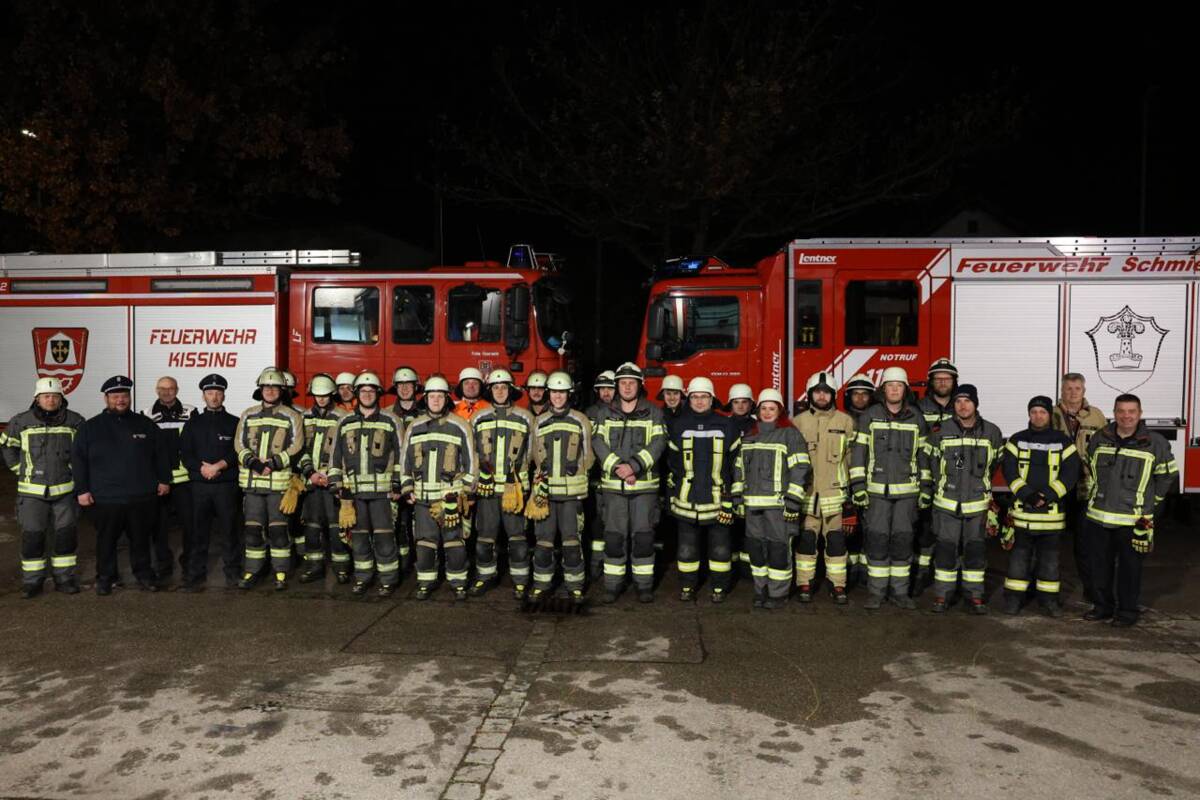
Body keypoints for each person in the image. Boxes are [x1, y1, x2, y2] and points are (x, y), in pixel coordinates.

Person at [1082, 394, 1176, 627]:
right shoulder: (1099, 438)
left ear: (1140, 413)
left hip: (1134, 520)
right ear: (1114, 413)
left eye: (1131, 411)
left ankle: (1126, 612)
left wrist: (1151, 505)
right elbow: (1090, 470)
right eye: (1121, 411)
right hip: (1098, 517)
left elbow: (1167, 476)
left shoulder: (1156, 442)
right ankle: (1102, 607)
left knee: (1130, 569)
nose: (1126, 416)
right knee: (1099, 567)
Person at [72, 375, 171, 595]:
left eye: (124, 395)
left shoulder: (145, 424)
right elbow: (78, 461)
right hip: (106, 497)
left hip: (141, 495)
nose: (121, 400)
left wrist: (164, 480)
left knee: (140, 540)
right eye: (115, 396)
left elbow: (161, 455)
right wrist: (82, 490)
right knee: (106, 541)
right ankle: (106, 578)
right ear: (106, 398)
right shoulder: (90, 428)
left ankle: (144, 575)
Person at [848, 367, 929, 610]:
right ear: (883, 389)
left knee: (903, 541)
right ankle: (876, 592)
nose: (894, 389)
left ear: (905, 389)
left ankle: (900, 592)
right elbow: (859, 454)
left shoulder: (916, 417)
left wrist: (926, 487)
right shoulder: (870, 416)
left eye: (899, 385)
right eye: (890, 385)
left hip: (907, 493)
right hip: (876, 493)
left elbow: (924, 456)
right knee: (877, 540)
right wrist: (859, 486)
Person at [3, 377, 86, 598]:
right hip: (31, 493)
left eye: (55, 396)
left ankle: (65, 578)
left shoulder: (75, 421)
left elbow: (83, 453)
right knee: (32, 537)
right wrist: (21, 469)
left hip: (65, 491)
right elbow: (8, 447)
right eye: (46, 396)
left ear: (62, 398)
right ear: (37, 398)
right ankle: (32, 582)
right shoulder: (20, 421)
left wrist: (74, 472)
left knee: (65, 537)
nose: (50, 400)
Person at [592, 362, 667, 604]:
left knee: (643, 538)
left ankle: (643, 586)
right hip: (614, 488)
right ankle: (613, 585)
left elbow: (658, 443)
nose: (626, 387)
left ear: (639, 386)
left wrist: (634, 466)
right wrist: (618, 468)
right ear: (616, 386)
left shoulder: (654, 412)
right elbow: (598, 444)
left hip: (644, 488)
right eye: (622, 383)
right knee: (614, 538)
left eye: (631, 383)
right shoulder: (604, 414)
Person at [925, 384, 1004, 614]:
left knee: (975, 553)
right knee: (946, 552)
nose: (962, 405)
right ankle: (943, 595)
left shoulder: (991, 432)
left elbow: (996, 463)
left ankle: (974, 596)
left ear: (976, 403)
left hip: (977, 507)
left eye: (967, 401)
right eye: (958, 401)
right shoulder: (939, 430)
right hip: (946, 504)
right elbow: (928, 463)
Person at [999, 396, 1080, 616]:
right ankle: (1013, 600)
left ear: (1049, 416)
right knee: (1018, 560)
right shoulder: (1017, 440)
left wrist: (1047, 495)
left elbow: (1071, 472)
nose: (1038, 416)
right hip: (1022, 514)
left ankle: (1049, 601)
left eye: (1042, 412)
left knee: (1050, 562)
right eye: (1034, 412)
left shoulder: (1063, 441)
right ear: (1029, 414)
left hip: (1051, 517)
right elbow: (1009, 471)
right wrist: (1028, 495)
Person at [398, 375, 477, 601]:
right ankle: (425, 581)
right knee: (424, 541)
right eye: (431, 396)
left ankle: (458, 581)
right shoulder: (414, 426)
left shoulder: (460, 425)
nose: (435, 400)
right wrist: (406, 487)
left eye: (440, 396)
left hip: (450, 497)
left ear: (447, 399)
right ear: (425, 399)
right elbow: (405, 461)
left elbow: (472, 461)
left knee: (454, 541)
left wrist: (467, 493)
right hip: (422, 498)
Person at [328, 372, 405, 597]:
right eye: (363, 391)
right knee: (359, 538)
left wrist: (397, 484)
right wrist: (337, 485)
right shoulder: (345, 421)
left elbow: (402, 454)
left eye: (372, 391)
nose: (368, 394)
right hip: (353, 494)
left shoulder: (391, 420)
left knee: (384, 538)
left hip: (382, 494)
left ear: (378, 394)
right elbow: (335, 456)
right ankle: (363, 578)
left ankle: (388, 580)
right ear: (357, 394)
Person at [732, 389, 809, 609]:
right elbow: (739, 469)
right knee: (756, 550)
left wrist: (793, 501)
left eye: (772, 408)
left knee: (778, 550)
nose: (767, 412)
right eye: (764, 408)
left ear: (780, 411)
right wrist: (737, 497)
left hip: (778, 506)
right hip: (752, 505)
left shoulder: (789, 434)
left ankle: (778, 593)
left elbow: (800, 467)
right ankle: (761, 589)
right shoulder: (749, 436)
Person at [666, 377, 741, 603]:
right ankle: (688, 587)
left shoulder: (727, 425)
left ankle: (719, 588)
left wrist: (731, 499)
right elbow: (672, 464)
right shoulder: (678, 426)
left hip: (719, 501)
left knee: (720, 550)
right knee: (687, 550)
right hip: (686, 501)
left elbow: (736, 465)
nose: (699, 401)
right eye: (695, 397)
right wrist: (672, 494)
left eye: (704, 397)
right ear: (689, 400)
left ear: (712, 399)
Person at [233, 369, 305, 591]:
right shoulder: (248, 414)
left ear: (282, 391)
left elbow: (297, 445)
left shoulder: (292, 416)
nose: (270, 391)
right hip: (253, 485)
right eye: (266, 387)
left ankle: (280, 571)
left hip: (277, 486)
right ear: (260, 390)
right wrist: (253, 463)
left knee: (278, 530)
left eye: (274, 387)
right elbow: (238, 443)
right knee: (253, 530)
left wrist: (273, 464)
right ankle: (252, 571)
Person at [527, 371, 594, 604]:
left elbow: (588, 457)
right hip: (545, 493)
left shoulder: (581, 420)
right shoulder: (540, 421)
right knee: (543, 540)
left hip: (571, 495)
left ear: (569, 394)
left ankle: (574, 585)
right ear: (549, 394)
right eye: (554, 392)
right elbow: (535, 454)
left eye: (561, 392)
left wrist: (576, 478)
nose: (557, 397)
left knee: (571, 541)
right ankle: (541, 584)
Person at [468, 369, 535, 598]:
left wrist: (525, 487)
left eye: (504, 387)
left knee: (517, 537)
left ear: (511, 390)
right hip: (487, 491)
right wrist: (473, 484)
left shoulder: (525, 417)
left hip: (513, 491)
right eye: (496, 387)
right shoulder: (478, 418)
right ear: (490, 391)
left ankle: (520, 580)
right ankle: (485, 577)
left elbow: (531, 455)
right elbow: (473, 455)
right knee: (485, 537)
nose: (500, 391)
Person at [793, 372, 856, 604]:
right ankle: (804, 583)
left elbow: (851, 462)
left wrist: (850, 501)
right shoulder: (798, 422)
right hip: (807, 497)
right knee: (807, 541)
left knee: (837, 543)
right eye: (817, 391)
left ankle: (837, 585)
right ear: (810, 394)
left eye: (826, 391)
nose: (822, 395)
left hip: (836, 497)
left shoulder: (846, 421)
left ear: (833, 395)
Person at [179, 374, 241, 591]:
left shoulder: (235, 423)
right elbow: (185, 453)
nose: (214, 397)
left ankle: (233, 574)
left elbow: (239, 451)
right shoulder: (193, 423)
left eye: (217, 393)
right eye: (209, 393)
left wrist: (220, 466)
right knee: (198, 533)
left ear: (224, 395)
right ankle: (195, 575)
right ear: (203, 395)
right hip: (200, 486)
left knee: (230, 532)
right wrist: (202, 468)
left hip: (226, 486)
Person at [1052, 372, 1109, 604]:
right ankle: (1048, 591)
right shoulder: (1050, 414)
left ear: (1083, 391)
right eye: (1068, 388)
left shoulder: (1096, 416)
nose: (1073, 393)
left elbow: (1105, 448)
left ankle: (1091, 590)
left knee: (1085, 543)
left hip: (1085, 488)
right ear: (1062, 390)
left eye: (1077, 388)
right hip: (1056, 487)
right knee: (1050, 541)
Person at [295, 374, 349, 584]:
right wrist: (311, 473)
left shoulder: (343, 417)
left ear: (332, 394)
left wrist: (330, 474)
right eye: (317, 395)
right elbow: (299, 448)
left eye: (325, 395)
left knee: (337, 527)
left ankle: (342, 567)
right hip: (311, 481)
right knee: (312, 526)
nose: (321, 399)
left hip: (332, 481)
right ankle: (315, 566)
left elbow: (346, 451)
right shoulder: (304, 417)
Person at [141, 375, 195, 586]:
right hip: (160, 482)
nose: (166, 392)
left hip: (185, 481)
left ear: (177, 389)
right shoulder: (145, 415)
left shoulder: (191, 412)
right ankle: (163, 565)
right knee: (158, 528)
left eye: (171, 388)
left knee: (190, 526)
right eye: (162, 389)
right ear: (156, 390)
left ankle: (189, 564)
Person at [915, 358, 957, 593]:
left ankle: (950, 576)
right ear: (931, 382)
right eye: (938, 378)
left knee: (951, 532)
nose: (942, 382)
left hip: (952, 480)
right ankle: (921, 574)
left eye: (947, 378)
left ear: (954, 381)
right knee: (924, 530)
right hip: (925, 477)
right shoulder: (919, 409)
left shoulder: (963, 406)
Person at [841, 373, 875, 587]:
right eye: (856, 394)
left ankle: (865, 570)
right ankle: (850, 570)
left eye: (865, 394)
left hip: (872, 480)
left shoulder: (877, 417)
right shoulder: (843, 419)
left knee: (870, 527)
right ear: (849, 397)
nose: (860, 398)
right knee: (848, 529)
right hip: (847, 479)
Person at [389, 366, 424, 574]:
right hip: (393, 477)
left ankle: (420, 560)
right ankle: (402, 563)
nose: (404, 389)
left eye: (408, 384)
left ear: (415, 387)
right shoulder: (387, 413)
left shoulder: (424, 414)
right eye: (400, 385)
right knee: (398, 522)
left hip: (418, 477)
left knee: (418, 521)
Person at [584, 370, 618, 580]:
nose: (606, 393)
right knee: (596, 521)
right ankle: (596, 563)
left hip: (615, 476)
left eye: (610, 388)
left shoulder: (622, 412)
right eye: (602, 389)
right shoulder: (589, 413)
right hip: (595, 475)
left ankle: (613, 563)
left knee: (614, 521)